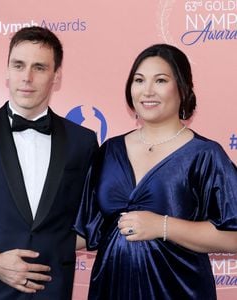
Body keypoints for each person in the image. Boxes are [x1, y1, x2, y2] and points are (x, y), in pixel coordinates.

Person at [0, 26, 98, 300]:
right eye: (19, 65)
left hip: (51, 292)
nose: (27, 77)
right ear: (6, 70)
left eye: (40, 67)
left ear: (56, 76)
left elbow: (93, 219)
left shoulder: (82, 142)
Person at [74, 43, 237, 299]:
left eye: (160, 80)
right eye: (139, 80)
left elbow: (233, 237)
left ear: (182, 88)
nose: (147, 91)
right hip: (111, 287)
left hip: (178, 290)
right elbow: (83, 229)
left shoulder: (205, 155)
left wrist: (163, 226)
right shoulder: (109, 151)